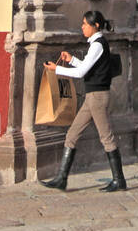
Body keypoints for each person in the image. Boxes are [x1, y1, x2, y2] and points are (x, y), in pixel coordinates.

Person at [42, 11, 127, 192]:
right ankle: (61, 179)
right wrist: (71, 60)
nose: (82, 27)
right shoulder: (96, 44)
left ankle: (119, 180)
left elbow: (81, 73)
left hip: (97, 98)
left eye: (85, 24)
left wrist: (57, 69)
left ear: (95, 26)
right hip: (92, 97)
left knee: (107, 137)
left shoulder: (97, 45)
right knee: (72, 135)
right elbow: (86, 67)